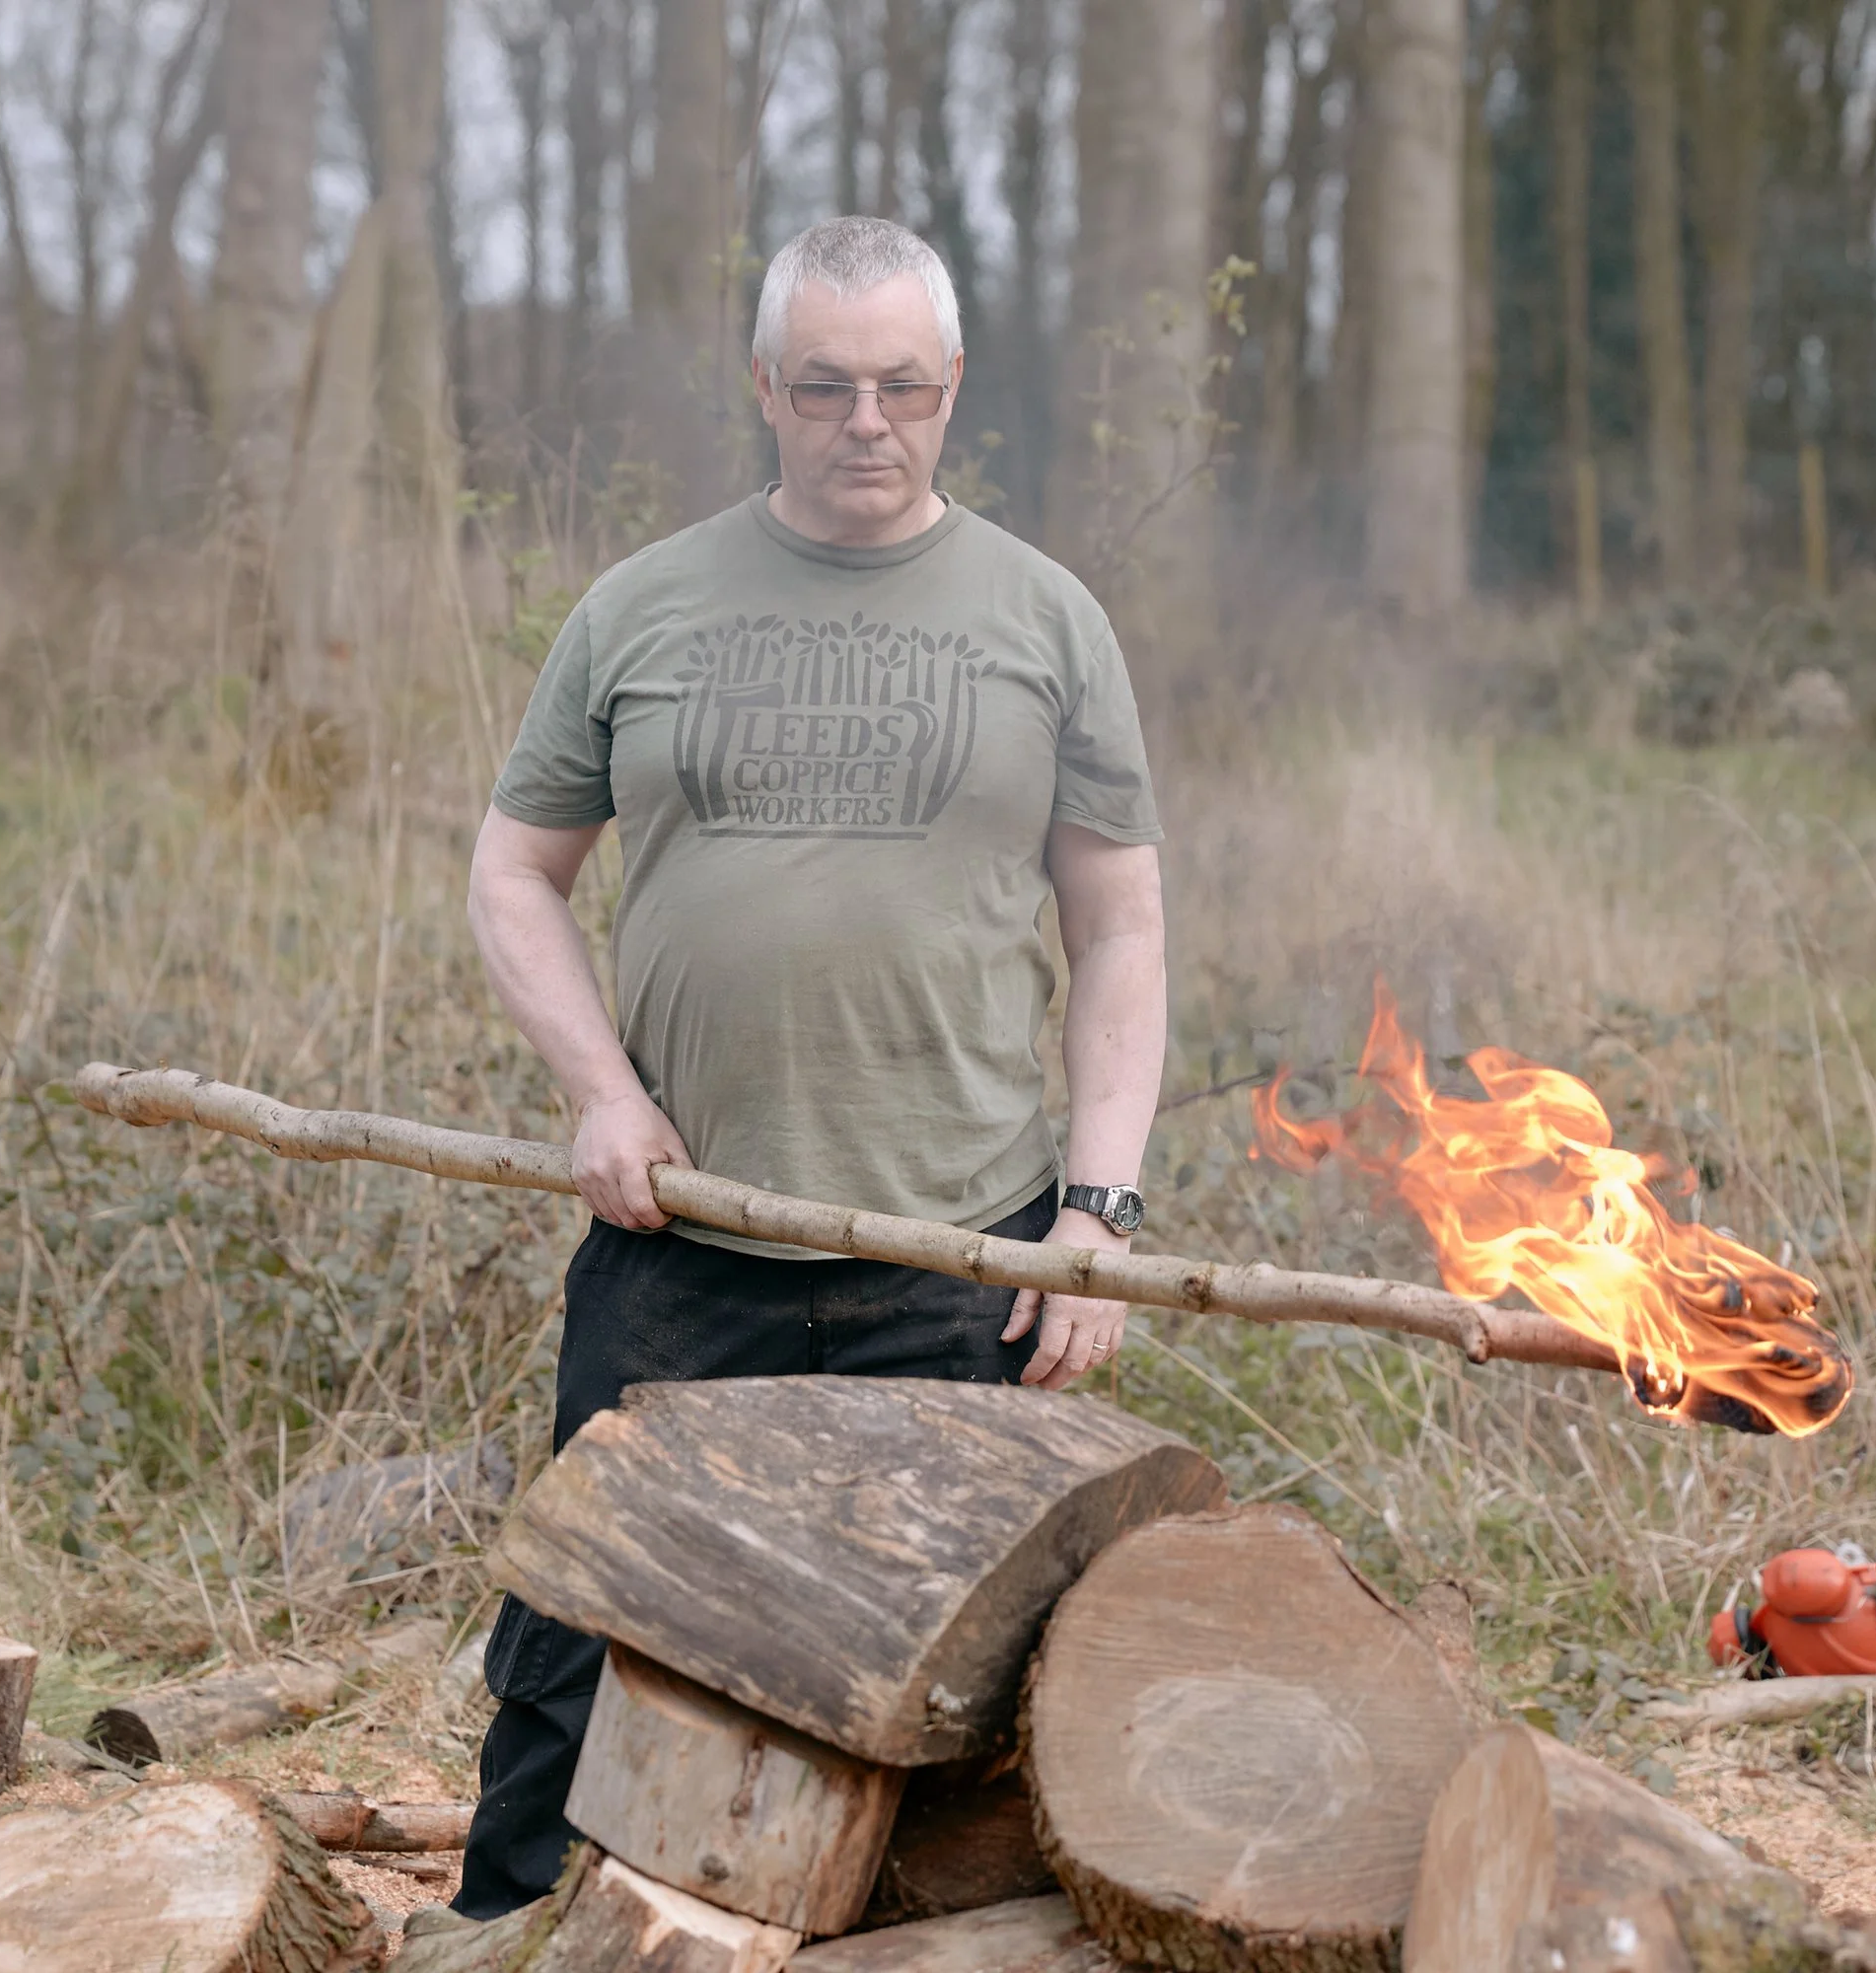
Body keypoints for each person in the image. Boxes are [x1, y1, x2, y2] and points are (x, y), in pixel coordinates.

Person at [450, 214, 1167, 1921]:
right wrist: (602, 1096)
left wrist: (1100, 1208)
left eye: (904, 388)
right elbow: (510, 873)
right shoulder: (646, 603)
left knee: (947, 1700)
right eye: (828, 386)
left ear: (953, 390)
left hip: (958, 1261)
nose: (869, 422)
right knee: (574, 1658)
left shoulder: (1046, 619)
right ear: (764, 385)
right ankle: (508, 1939)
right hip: (678, 1247)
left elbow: (1120, 926)